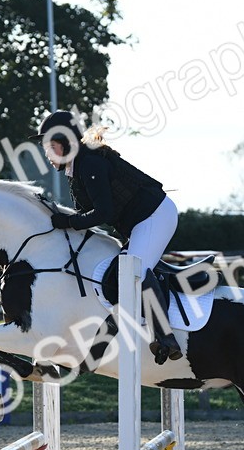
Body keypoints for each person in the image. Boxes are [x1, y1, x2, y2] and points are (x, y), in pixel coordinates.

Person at [32, 110, 183, 364]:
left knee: (132, 271)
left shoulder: (89, 164)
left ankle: (166, 337)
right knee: (119, 273)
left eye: (50, 145)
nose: (47, 153)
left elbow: (102, 213)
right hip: (140, 222)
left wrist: (67, 221)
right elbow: (85, 214)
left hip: (155, 216)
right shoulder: (77, 167)